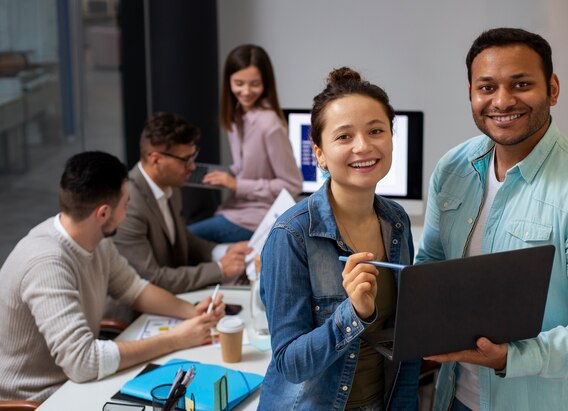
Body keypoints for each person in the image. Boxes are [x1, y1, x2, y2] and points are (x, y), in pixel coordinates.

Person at [415, 28, 568, 411]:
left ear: (553, 89)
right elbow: (430, 263)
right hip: (456, 397)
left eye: (521, 84)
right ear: (471, 94)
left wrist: (511, 357)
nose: (502, 101)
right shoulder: (452, 169)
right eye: (487, 87)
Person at [0, 151, 226, 402]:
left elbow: (134, 288)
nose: (128, 211)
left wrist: (192, 312)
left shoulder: (95, 239)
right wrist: (176, 339)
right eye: (126, 204)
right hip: (37, 399)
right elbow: (83, 362)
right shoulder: (47, 263)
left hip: (76, 385)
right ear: (103, 213)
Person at [259, 67, 421, 410]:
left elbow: (405, 340)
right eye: (344, 137)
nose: (364, 146)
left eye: (376, 130)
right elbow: (290, 363)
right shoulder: (291, 235)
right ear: (319, 153)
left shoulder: (397, 221)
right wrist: (355, 314)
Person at [113, 112, 251, 304]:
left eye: (193, 156)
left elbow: (181, 237)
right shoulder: (129, 205)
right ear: (156, 160)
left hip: (173, 298)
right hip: (136, 314)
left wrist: (221, 251)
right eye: (185, 159)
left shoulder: (170, 185)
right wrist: (219, 269)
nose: (192, 166)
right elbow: (152, 279)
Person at [187, 44, 302, 243]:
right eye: (239, 83)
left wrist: (237, 184)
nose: (246, 91)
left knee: (184, 239)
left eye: (254, 84)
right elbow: (247, 168)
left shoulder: (270, 124)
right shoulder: (236, 115)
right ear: (228, 82)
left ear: (266, 83)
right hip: (235, 208)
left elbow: (292, 184)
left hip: (256, 217)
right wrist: (226, 175)